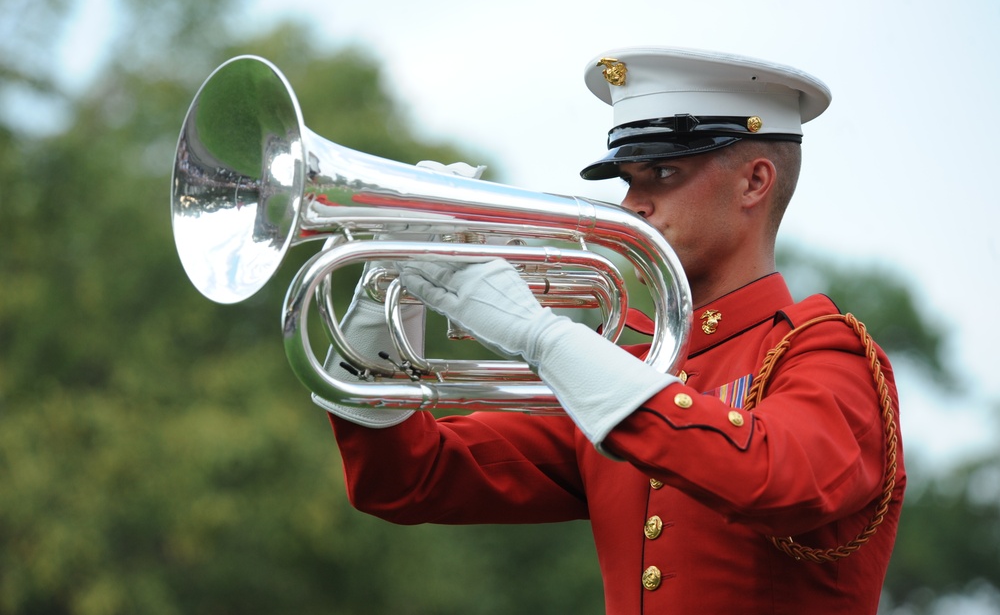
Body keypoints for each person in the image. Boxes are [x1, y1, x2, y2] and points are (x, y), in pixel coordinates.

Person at [316, 47, 906, 614]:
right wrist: (384, 294)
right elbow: (406, 480)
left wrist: (542, 336)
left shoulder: (828, 352)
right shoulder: (633, 366)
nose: (632, 204)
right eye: (627, 180)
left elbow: (775, 479)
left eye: (662, 173)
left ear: (754, 182)